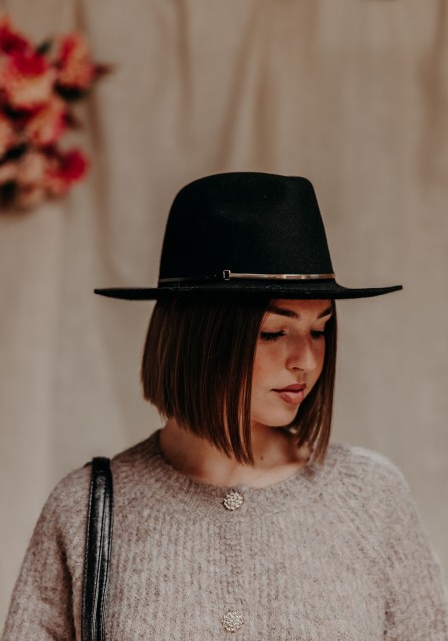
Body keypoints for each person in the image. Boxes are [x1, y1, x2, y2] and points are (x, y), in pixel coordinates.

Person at [2, 172, 447, 640]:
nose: (308, 360)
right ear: (199, 339)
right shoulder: (82, 511)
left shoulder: (371, 496)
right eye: (274, 332)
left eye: (320, 329)